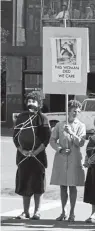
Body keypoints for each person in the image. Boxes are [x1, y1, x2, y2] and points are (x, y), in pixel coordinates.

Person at [13, 91, 51, 220]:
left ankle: (37, 211)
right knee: (25, 183)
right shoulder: (21, 117)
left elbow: (46, 139)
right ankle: (25, 212)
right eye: (29, 101)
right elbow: (15, 136)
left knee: (37, 184)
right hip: (23, 156)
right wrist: (21, 150)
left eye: (33, 101)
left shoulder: (43, 118)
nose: (31, 104)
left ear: (39, 104)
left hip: (37, 156)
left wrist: (36, 152)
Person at [50, 100, 86, 222]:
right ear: (68, 111)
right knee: (63, 186)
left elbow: (80, 142)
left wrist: (71, 133)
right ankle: (63, 211)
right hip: (61, 158)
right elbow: (52, 140)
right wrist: (59, 149)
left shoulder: (81, 126)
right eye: (74, 111)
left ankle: (72, 213)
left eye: (78, 111)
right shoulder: (60, 125)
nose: (76, 113)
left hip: (74, 158)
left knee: (73, 185)